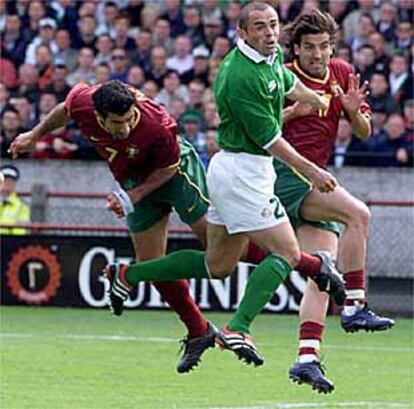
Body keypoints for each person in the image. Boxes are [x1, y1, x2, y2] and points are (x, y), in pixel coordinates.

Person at [96, 1, 345, 370]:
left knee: (218, 264)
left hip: (234, 171)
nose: (269, 32)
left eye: (273, 24)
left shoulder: (269, 56)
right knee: (287, 254)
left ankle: (126, 274)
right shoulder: (240, 75)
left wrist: (314, 97)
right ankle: (239, 327)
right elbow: (271, 141)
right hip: (246, 174)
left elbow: (286, 81)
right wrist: (314, 172)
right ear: (242, 33)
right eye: (259, 26)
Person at [9, 80, 216, 374]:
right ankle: (200, 331)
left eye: (131, 117)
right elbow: (64, 109)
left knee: (221, 252)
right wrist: (35, 134)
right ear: (100, 116)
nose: (128, 126)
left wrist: (135, 196)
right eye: (119, 122)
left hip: (174, 174)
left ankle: (300, 262)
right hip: (133, 180)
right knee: (153, 266)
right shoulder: (83, 102)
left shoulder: (155, 124)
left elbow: (169, 168)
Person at [271, 10, 394, 392]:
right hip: (283, 175)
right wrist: (295, 109)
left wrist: (355, 112)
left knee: (323, 274)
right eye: (310, 47)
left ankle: (306, 357)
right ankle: (355, 306)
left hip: (313, 176)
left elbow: (363, 130)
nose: (318, 54)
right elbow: (258, 125)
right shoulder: (281, 75)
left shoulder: (341, 73)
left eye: (324, 46)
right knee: (358, 214)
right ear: (296, 48)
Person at [0, 165, 30, 235]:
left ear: (14, 184)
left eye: (9, 182)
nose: (6, 185)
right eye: (3, 181)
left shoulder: (22, 207)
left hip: (9, 242)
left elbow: (19, 233)